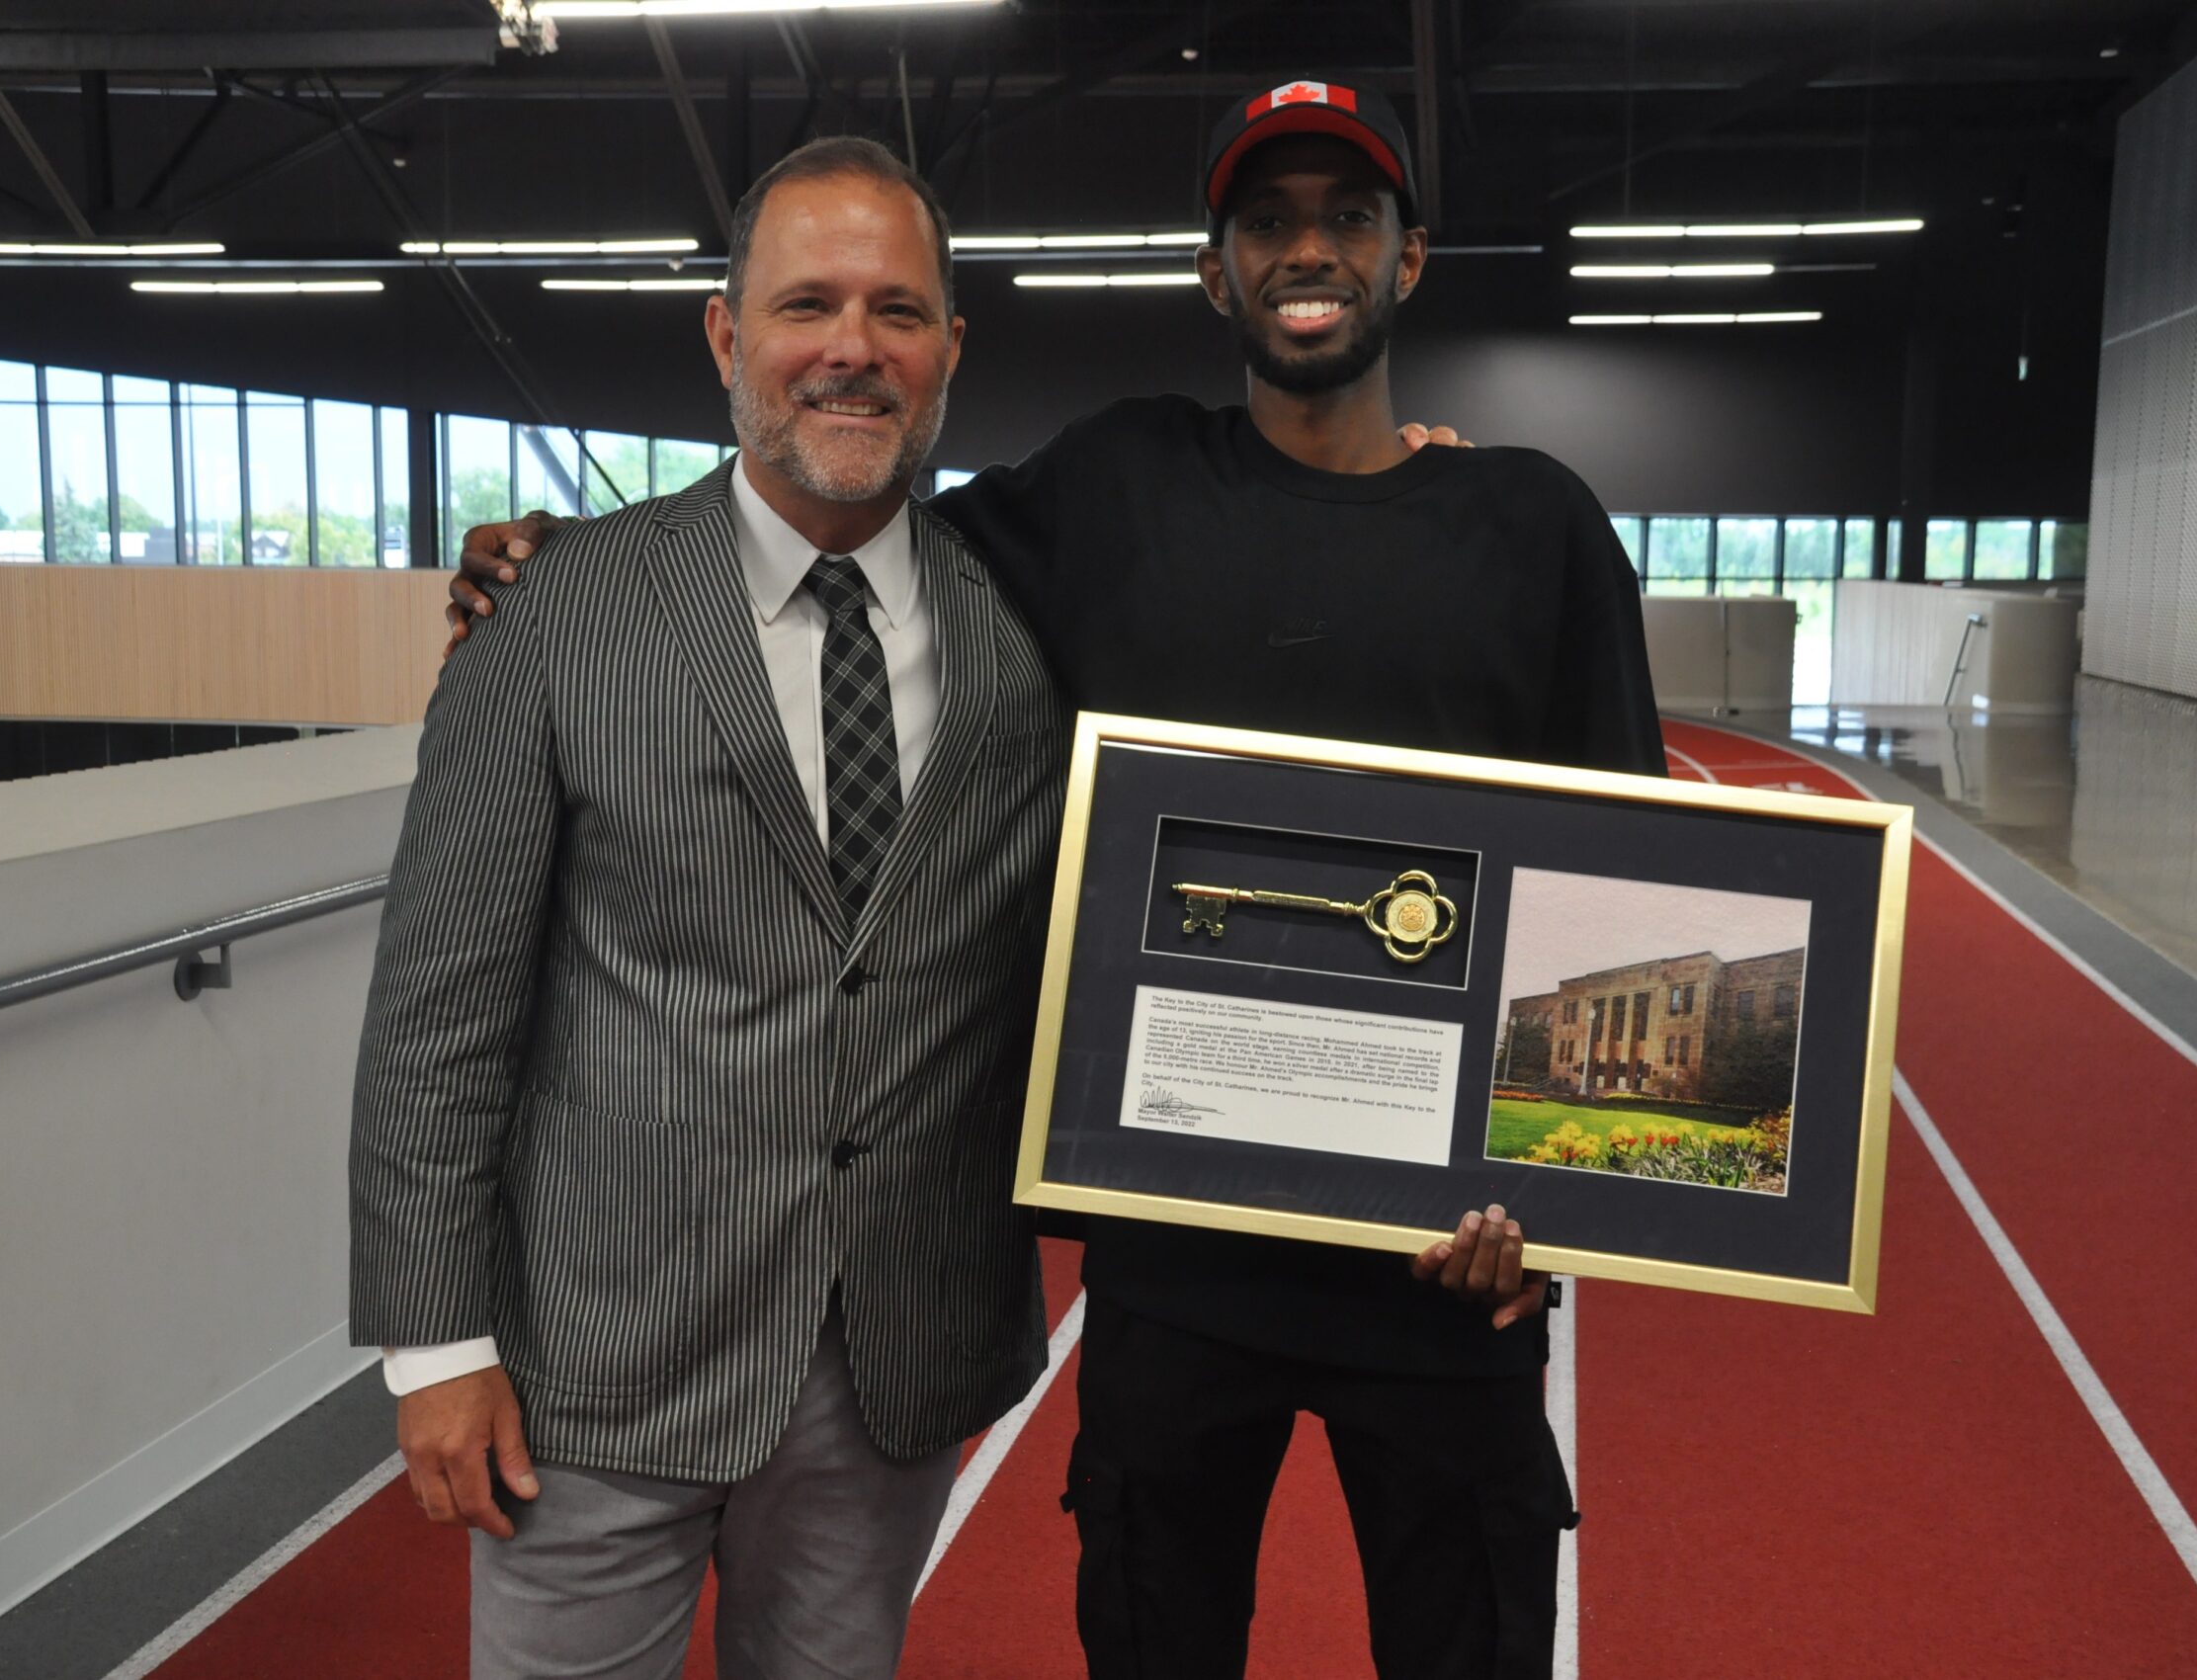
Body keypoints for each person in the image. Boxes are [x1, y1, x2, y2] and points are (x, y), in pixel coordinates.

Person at [449, 83, 1661, 1679]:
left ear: (1410, 261)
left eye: (1348, 220)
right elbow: (843, 505)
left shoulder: (1537, 527)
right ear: (1214, 273)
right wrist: (572, 559)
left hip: (1446, 1276)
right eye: (1269, 224)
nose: (1311, 250)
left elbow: (1623, 891)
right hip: (1179, 1266)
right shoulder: (1115, 489)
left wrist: (1553, 1209)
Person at [348, 136, 1077, 1680]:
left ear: (951, 346)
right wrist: (439, 1346)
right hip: (598, 1358)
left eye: (898, 310)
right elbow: (437, 1017)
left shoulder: (1026, 627)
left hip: (891, 1362)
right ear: (727, 336)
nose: (852, 349)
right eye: (807, 303)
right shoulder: (553, 618)